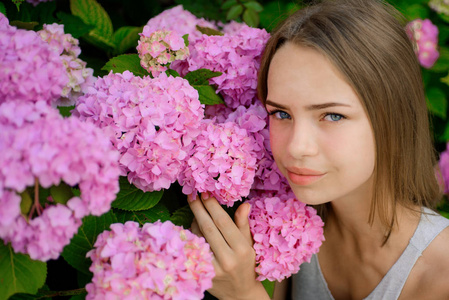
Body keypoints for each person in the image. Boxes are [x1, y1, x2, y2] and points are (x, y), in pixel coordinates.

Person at [188, 0, 449, 299]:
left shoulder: (443, 276)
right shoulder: (280, 233)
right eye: (281, 114)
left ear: (394, 116)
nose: (297, 147)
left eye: (332, 115)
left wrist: (245, 294)